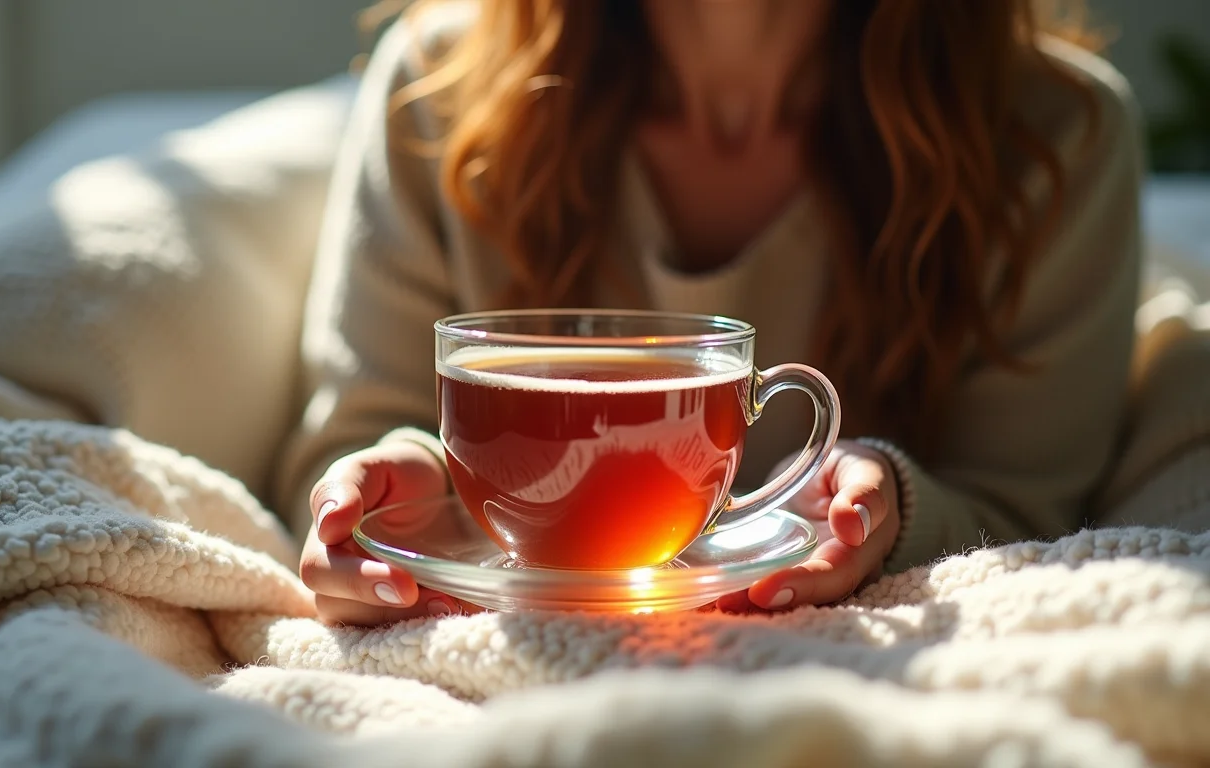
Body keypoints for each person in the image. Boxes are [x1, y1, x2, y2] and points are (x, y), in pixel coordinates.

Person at [281, 0, 1143, 626]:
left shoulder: (1060, 133)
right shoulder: (437, 88)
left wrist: (898, 514)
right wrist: (406, 490)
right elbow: (348, 441)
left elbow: (1033, 506)